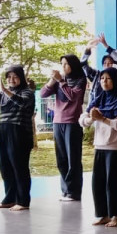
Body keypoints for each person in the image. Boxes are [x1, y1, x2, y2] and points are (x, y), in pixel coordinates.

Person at [0, 65, 35, 211]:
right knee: (5, 166)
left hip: (19, 132)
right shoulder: (4, 94)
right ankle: (9, 198)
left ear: (21, 78)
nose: (11, 80)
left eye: (15, 77)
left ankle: (23, 201)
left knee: (19, 166)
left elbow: (22, 103)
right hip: (4, 130)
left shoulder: (27, 92)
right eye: (9, 77)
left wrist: (6, 91)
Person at [81, 67, 117, 227]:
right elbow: (82, 119)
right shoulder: (99, 98)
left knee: (114, 182)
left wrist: (102, 119)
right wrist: (91, 118)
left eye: (108, 78)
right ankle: (102, 214)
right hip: (100, 146)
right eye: (102, 78)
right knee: (99, 181)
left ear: (115, 80)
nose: (104, 81)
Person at [41, 55, 88, 202]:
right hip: (57, 122)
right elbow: (43, 93)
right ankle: (66, 190)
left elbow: (72, 96)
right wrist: (53, 80)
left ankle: (74, 192)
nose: (64, 67)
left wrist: (61, 81)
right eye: (62, 64)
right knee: (61, 158)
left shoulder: (80, 79)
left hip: (72, 122)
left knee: (73, 158)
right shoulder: (60, 80)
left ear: (73, 65)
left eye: (66, 64)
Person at [81, 34, 117, 103]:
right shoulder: (97, 75)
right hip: (95, 111)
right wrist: (87, 50)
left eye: (110, 63)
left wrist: (106, 46)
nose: (107, 65)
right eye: (104, 63)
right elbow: (83, 65)